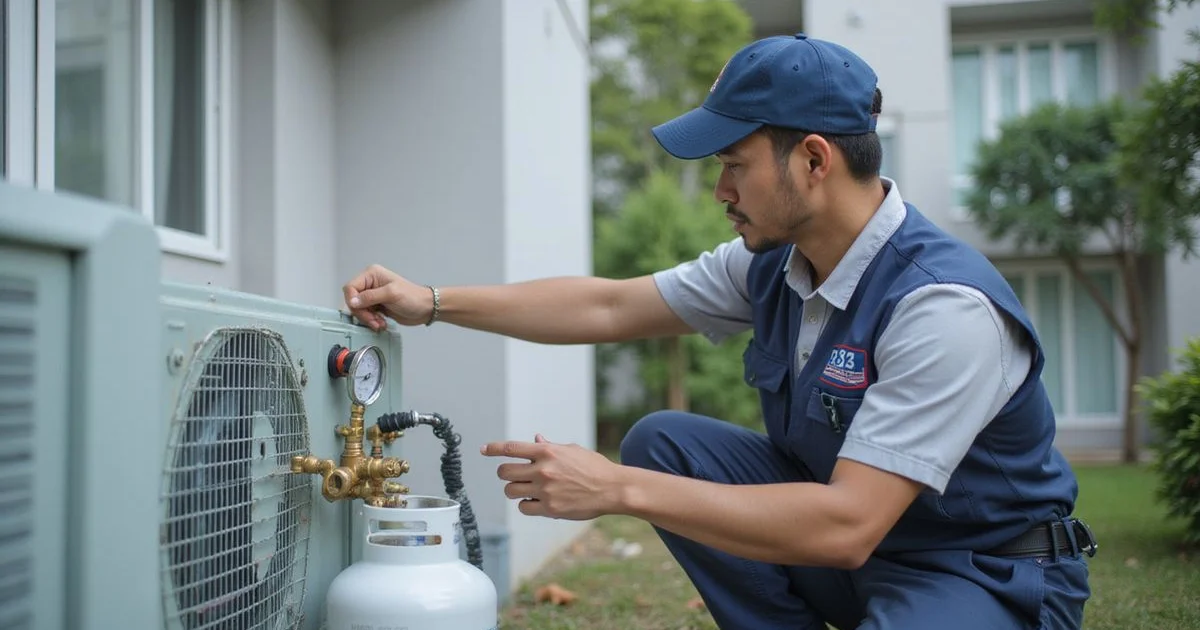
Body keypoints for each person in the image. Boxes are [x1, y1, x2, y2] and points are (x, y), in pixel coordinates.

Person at [342, 32, 1095, 630]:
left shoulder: (942, 308)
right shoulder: (775, 263)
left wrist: (618, 489)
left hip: (979, 572)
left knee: (648, 469)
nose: (719, 190)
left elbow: (847, 525)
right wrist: (431, 300)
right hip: (864, 559)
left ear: (812, 159)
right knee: (667, 442)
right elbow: (608, 307)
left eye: (735, 164)